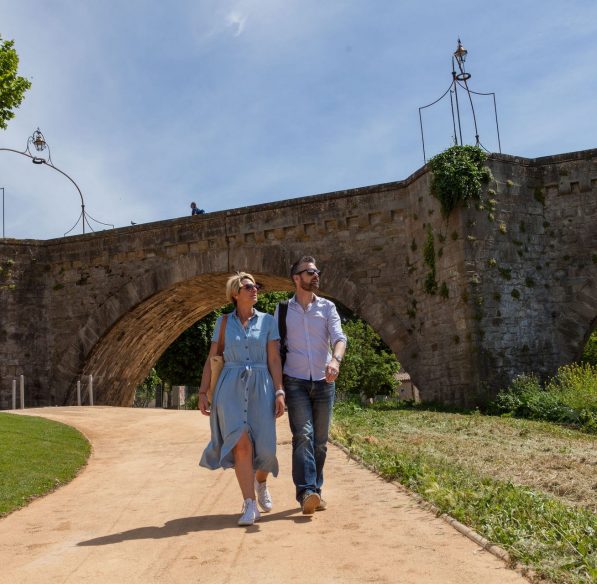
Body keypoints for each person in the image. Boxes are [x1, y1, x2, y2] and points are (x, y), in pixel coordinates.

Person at [198, 272, 286, 526]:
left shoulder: (268, 321)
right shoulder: (223, 322)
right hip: (230, 388)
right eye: (249, 287)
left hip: (262, 386)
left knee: (267, 450)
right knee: (241, 444)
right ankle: (249, 504)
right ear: (235, 293)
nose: (254, 290)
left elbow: (273, 359)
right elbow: (212, 358)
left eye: (256, 286)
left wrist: (279, 390)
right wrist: (203, 392)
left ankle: (261, 481)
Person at [274, 256, 347, 514]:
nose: (315, 276)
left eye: (317, 271)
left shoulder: (327, 308)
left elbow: (339, 338)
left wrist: (335, 361)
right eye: (309, 272)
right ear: (297, 278)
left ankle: (316, 489)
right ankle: (306, 492)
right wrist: (279, 387)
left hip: (324, 382)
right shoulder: (282, 310)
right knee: (302, 436)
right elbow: (274, 349)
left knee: (320, 442)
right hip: (295, 381)